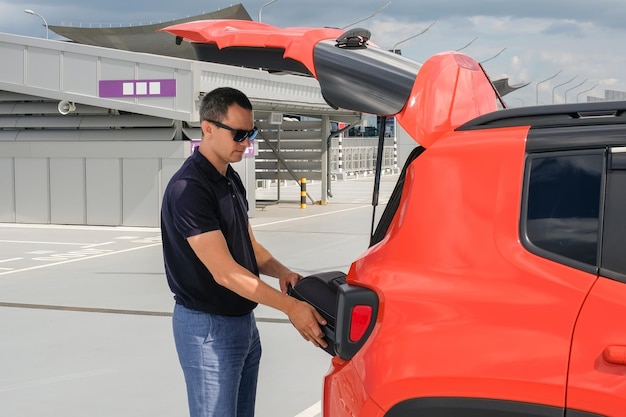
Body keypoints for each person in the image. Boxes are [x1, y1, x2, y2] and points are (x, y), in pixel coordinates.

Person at [160, 86, 327, 417]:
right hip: (208, 328)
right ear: (208, 128)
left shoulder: (228, 179)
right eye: (238, 134)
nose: (246, 142)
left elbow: (247, 246)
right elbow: (224, 271)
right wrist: (291, 308)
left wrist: (282, 273)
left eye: (250, 133)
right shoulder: (189, 189)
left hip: (242, 324)